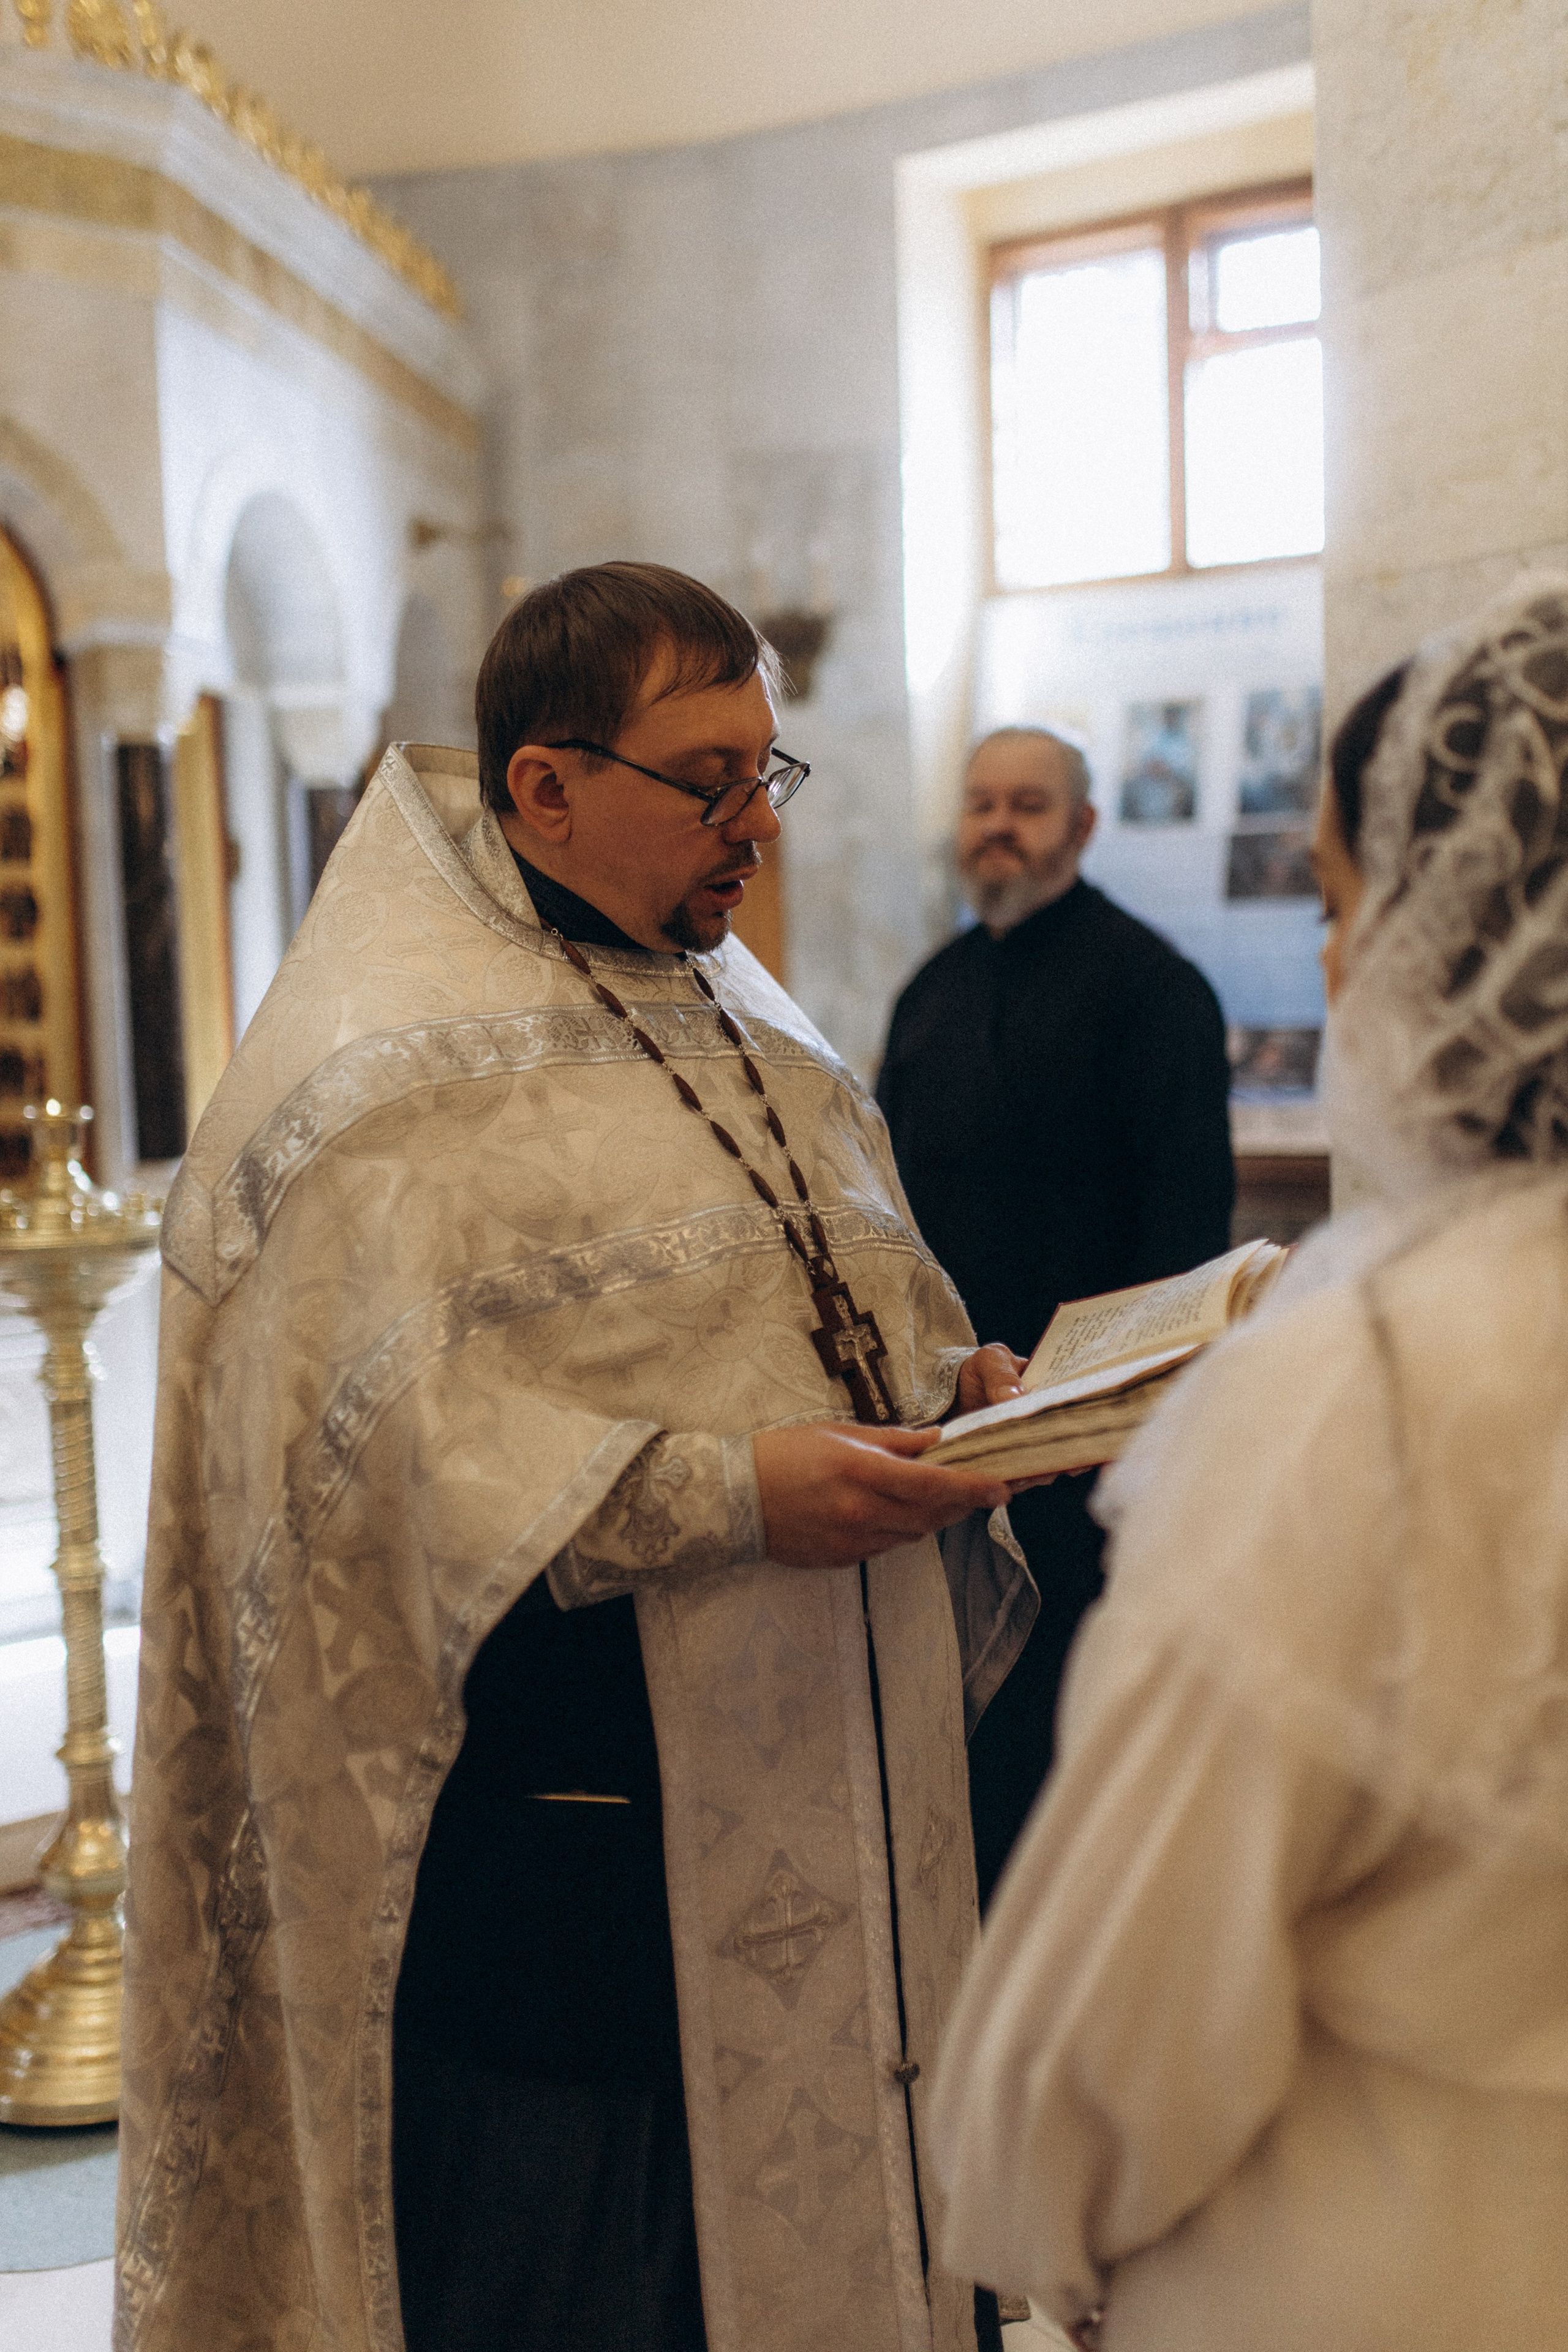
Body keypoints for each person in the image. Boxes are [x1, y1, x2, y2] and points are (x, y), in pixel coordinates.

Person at [115, 562, 1041, 2352]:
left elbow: (843, 1316)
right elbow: (379, 1496)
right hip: (563, 1906)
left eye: (771, 775)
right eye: (708, 780)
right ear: (545, 786)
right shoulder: (368, 1090)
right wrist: (735, 1494)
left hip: (843, 1839)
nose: (749, 833)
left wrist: (963, 1392)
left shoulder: (755, 1033)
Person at [930, 579, 1568, 2351]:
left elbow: (1105, 2040)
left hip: (1398, 2262)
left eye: (1347, 903)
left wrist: (1024, 2214)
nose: (1347, 962)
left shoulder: (1359, 1380)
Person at [876, 726, 1234, 1903]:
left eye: (1027, 805)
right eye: (981, 803)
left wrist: (1110, 1420)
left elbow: (1185, 1242)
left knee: (1072, 1765)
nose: (998, 827)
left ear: (1081, 827)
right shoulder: (933, 991)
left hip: (1090, 1449)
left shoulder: (1157, 991)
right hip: (951, 1431)